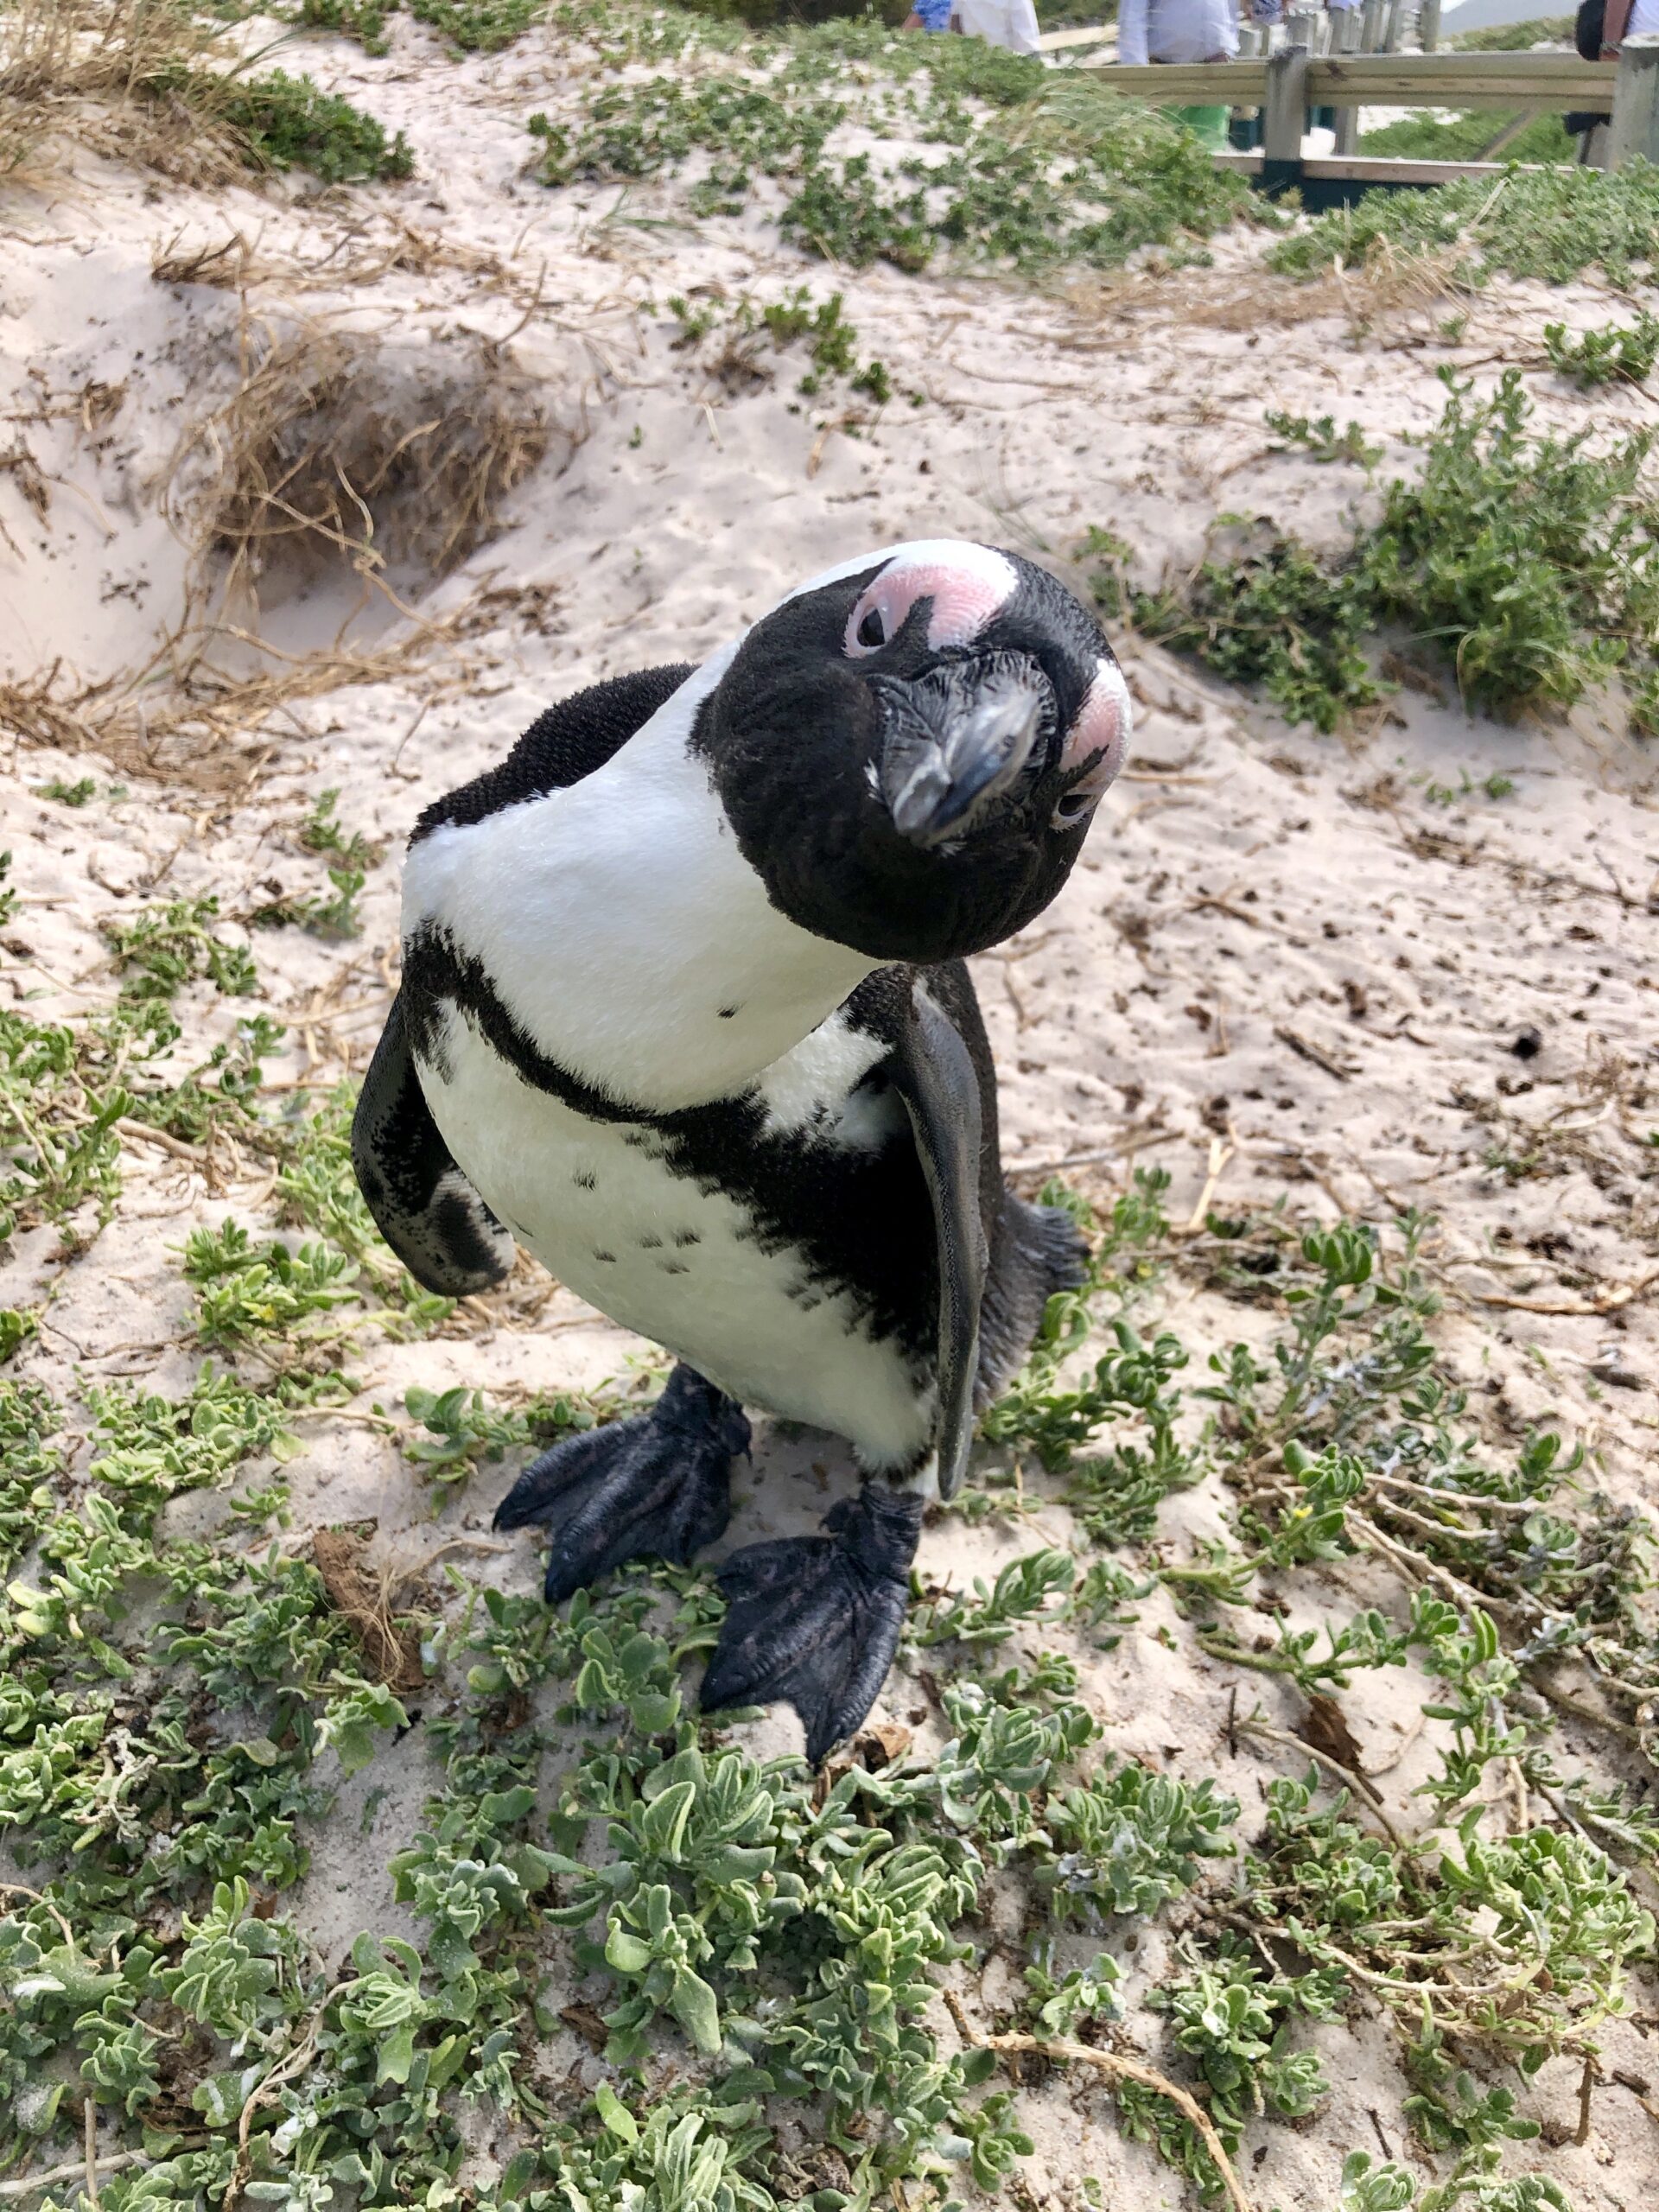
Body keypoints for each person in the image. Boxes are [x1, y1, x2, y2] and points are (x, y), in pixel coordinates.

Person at [1117, 0, 1239, 146]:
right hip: (1163, 76)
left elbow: (1231, 10)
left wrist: (1228, 49)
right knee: (1162, 152)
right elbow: (1132, 17)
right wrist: (1141, 79)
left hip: (1214, 72)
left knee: (1212, 153)